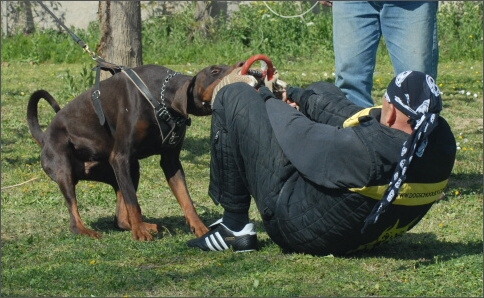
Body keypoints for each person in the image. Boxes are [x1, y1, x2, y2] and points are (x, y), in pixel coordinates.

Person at [187, 69, 456, 256]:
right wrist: (291, 93)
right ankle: (295, 95)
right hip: (366, 230)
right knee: (322, 90)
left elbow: (299, 135)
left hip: (301, 229)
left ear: (393, 111)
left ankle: (234, 228)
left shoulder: (365, 151)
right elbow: (353, 115)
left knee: (233, 95)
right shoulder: (441, 140)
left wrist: (264, 97)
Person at [328, 1, 439, 107]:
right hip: (351, 4)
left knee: (415, 85)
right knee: (350, 83)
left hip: (412, 4)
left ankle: (413, 126)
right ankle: (356, 126)